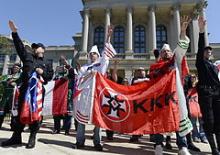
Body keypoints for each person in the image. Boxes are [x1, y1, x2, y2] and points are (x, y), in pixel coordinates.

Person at [1, 20, 54, 149]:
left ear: (43, 49)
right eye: (34, 47)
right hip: (24, 90)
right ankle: (16, 137)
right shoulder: (28, 57)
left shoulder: (47, 63)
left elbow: (49, 77)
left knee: (35, 115)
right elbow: (19, 47)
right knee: (19, 113)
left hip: (37, 94)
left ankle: (32, 137)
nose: (35, 48)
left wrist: (42, 72)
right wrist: (15, 33)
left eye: (38, 47)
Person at [149, 16, 192, 155]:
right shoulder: (155, 66)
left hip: (175, 96)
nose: (166, 52)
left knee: (179, 117)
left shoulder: (175, 61)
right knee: (159, 120)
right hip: (161, 97)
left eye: (168, 51)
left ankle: (182, 146)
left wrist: (183, 33)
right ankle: (158, 145)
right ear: (160, 55)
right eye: (164, 51)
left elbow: (180, 48)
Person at [75, 26, 115, 151]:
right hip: (85, 96)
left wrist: (108, 36)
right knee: (81, 120)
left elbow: (106, 55)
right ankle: (80, 141)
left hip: (97, 95)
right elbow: (79, 81)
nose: (92, 55)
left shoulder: (100, 65)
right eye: (91, 53)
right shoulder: (84, 68)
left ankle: (97, 142)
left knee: (98, 120)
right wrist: (89, 75)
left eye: (94, 53)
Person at [196, 16, 220, 155]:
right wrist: (201, 31)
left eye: (210, 51)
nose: (209, 52)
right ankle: (214, 149)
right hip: (206, 94)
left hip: (217, 93)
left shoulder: (214, 66)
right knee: (209, 121)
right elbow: (200, 48)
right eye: (206, 51)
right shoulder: (201, 63)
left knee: (218, 121)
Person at [0, 63, 21, 129]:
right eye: (14, 67)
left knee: (14, 111)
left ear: (19, 69)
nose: (15, 69)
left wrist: (14, 83)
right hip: (5, 95)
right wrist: (9, 82)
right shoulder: (7, 75)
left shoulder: (20, 76)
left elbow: (20, 82)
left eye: (17, 68)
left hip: (14, 95)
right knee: (1, 110)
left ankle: (13, 126)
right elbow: (3, 81)